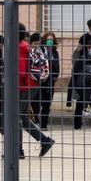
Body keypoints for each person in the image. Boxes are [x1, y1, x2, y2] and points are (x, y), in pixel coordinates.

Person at [15, 26, 56, 155]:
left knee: (17, 117)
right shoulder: (25, 45)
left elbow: (21, 71)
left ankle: (18, 150)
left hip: (23, 86)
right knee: (22, 116)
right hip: (32, 84)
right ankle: (44, 141)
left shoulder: (20, 47)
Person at [68, 39, 91, 130]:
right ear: (88, 47)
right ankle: (77, 127)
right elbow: (75, 69)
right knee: (80, 107)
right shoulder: (82, 57)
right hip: (83, 86)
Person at [37, 31, 60, 130]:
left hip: (50, 81)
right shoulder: (40, 51)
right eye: (48, 39)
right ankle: (37, 121)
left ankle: (43, 125)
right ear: (44, 40)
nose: (50, 41)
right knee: (37, 103)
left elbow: (57, 66)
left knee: (47, 104)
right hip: (40, 81)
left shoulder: (55, 52)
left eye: (51, 39)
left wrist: (55, 77)